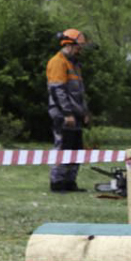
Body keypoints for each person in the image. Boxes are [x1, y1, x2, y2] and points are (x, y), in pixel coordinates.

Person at [47, 29, 89, 193]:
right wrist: (67, 114)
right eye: (79, 47)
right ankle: (57, 182)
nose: (80, 50)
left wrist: (84, 112)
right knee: (63, 147)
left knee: (76, 149)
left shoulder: (75, 64)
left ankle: (70, 182)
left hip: (75, 114)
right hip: (63, 114)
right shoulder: (58, 62)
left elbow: (79, 92)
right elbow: (58, 91)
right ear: (69, 45)